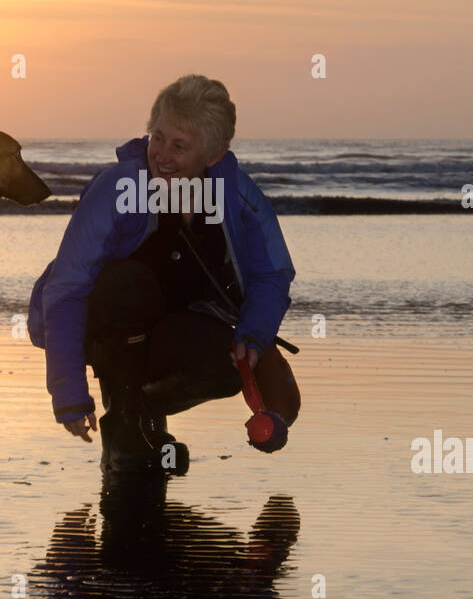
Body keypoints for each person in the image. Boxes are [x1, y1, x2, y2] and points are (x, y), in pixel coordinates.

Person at [27, 74, 300, 472]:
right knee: (125, 285)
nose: (162, 155)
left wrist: (254, 335)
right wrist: (68, 392)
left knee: (228, 364)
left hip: (178, 327)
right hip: (102, 325)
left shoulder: (235, 194)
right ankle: (123, 429)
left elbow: (273, 273)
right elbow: (66, 289)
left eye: (179, 146)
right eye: (157, 138)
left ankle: (145, 418)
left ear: (213, 155)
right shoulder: (119, 189)